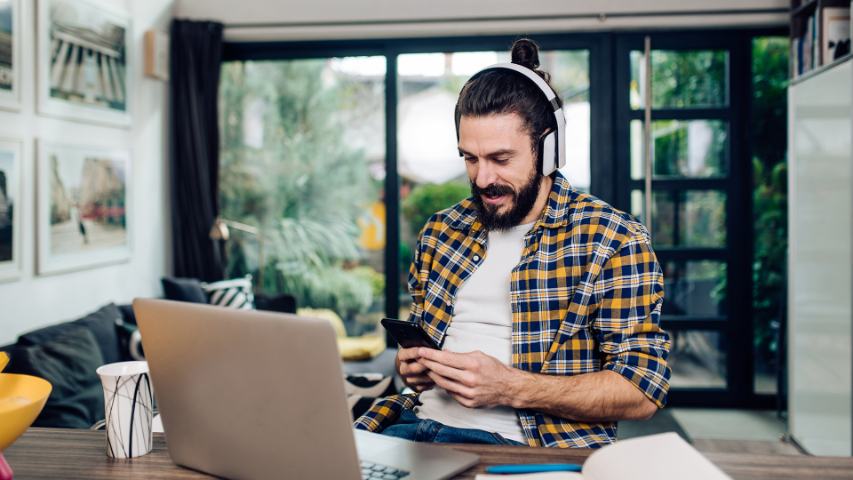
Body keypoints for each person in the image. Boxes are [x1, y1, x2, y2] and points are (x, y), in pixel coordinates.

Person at [354, 38, 671, 448]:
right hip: (412, 429)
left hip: (524, 449)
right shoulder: (439, 232)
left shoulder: (613, 240)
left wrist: (511, 388)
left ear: (548, 148)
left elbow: (642, 390)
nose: (482, 178)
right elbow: (418, 368)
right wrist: (414, 367)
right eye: (470, 158)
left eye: (501, 159)